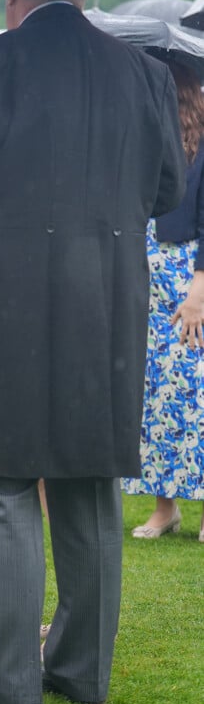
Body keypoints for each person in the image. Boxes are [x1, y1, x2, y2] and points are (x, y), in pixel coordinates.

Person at [0, 0, 185, 704]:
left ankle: (7, 686)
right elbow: (167, 189)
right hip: (105, 309)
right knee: (88, 485)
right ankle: (82, 670)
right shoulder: (147, 73)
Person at [123, 59, 204, 542]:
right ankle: (164, 506)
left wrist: (200, 286)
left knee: (196, 392)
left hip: (191, 275)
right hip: (146, 273)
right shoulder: (145, 134)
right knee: (154, 391)